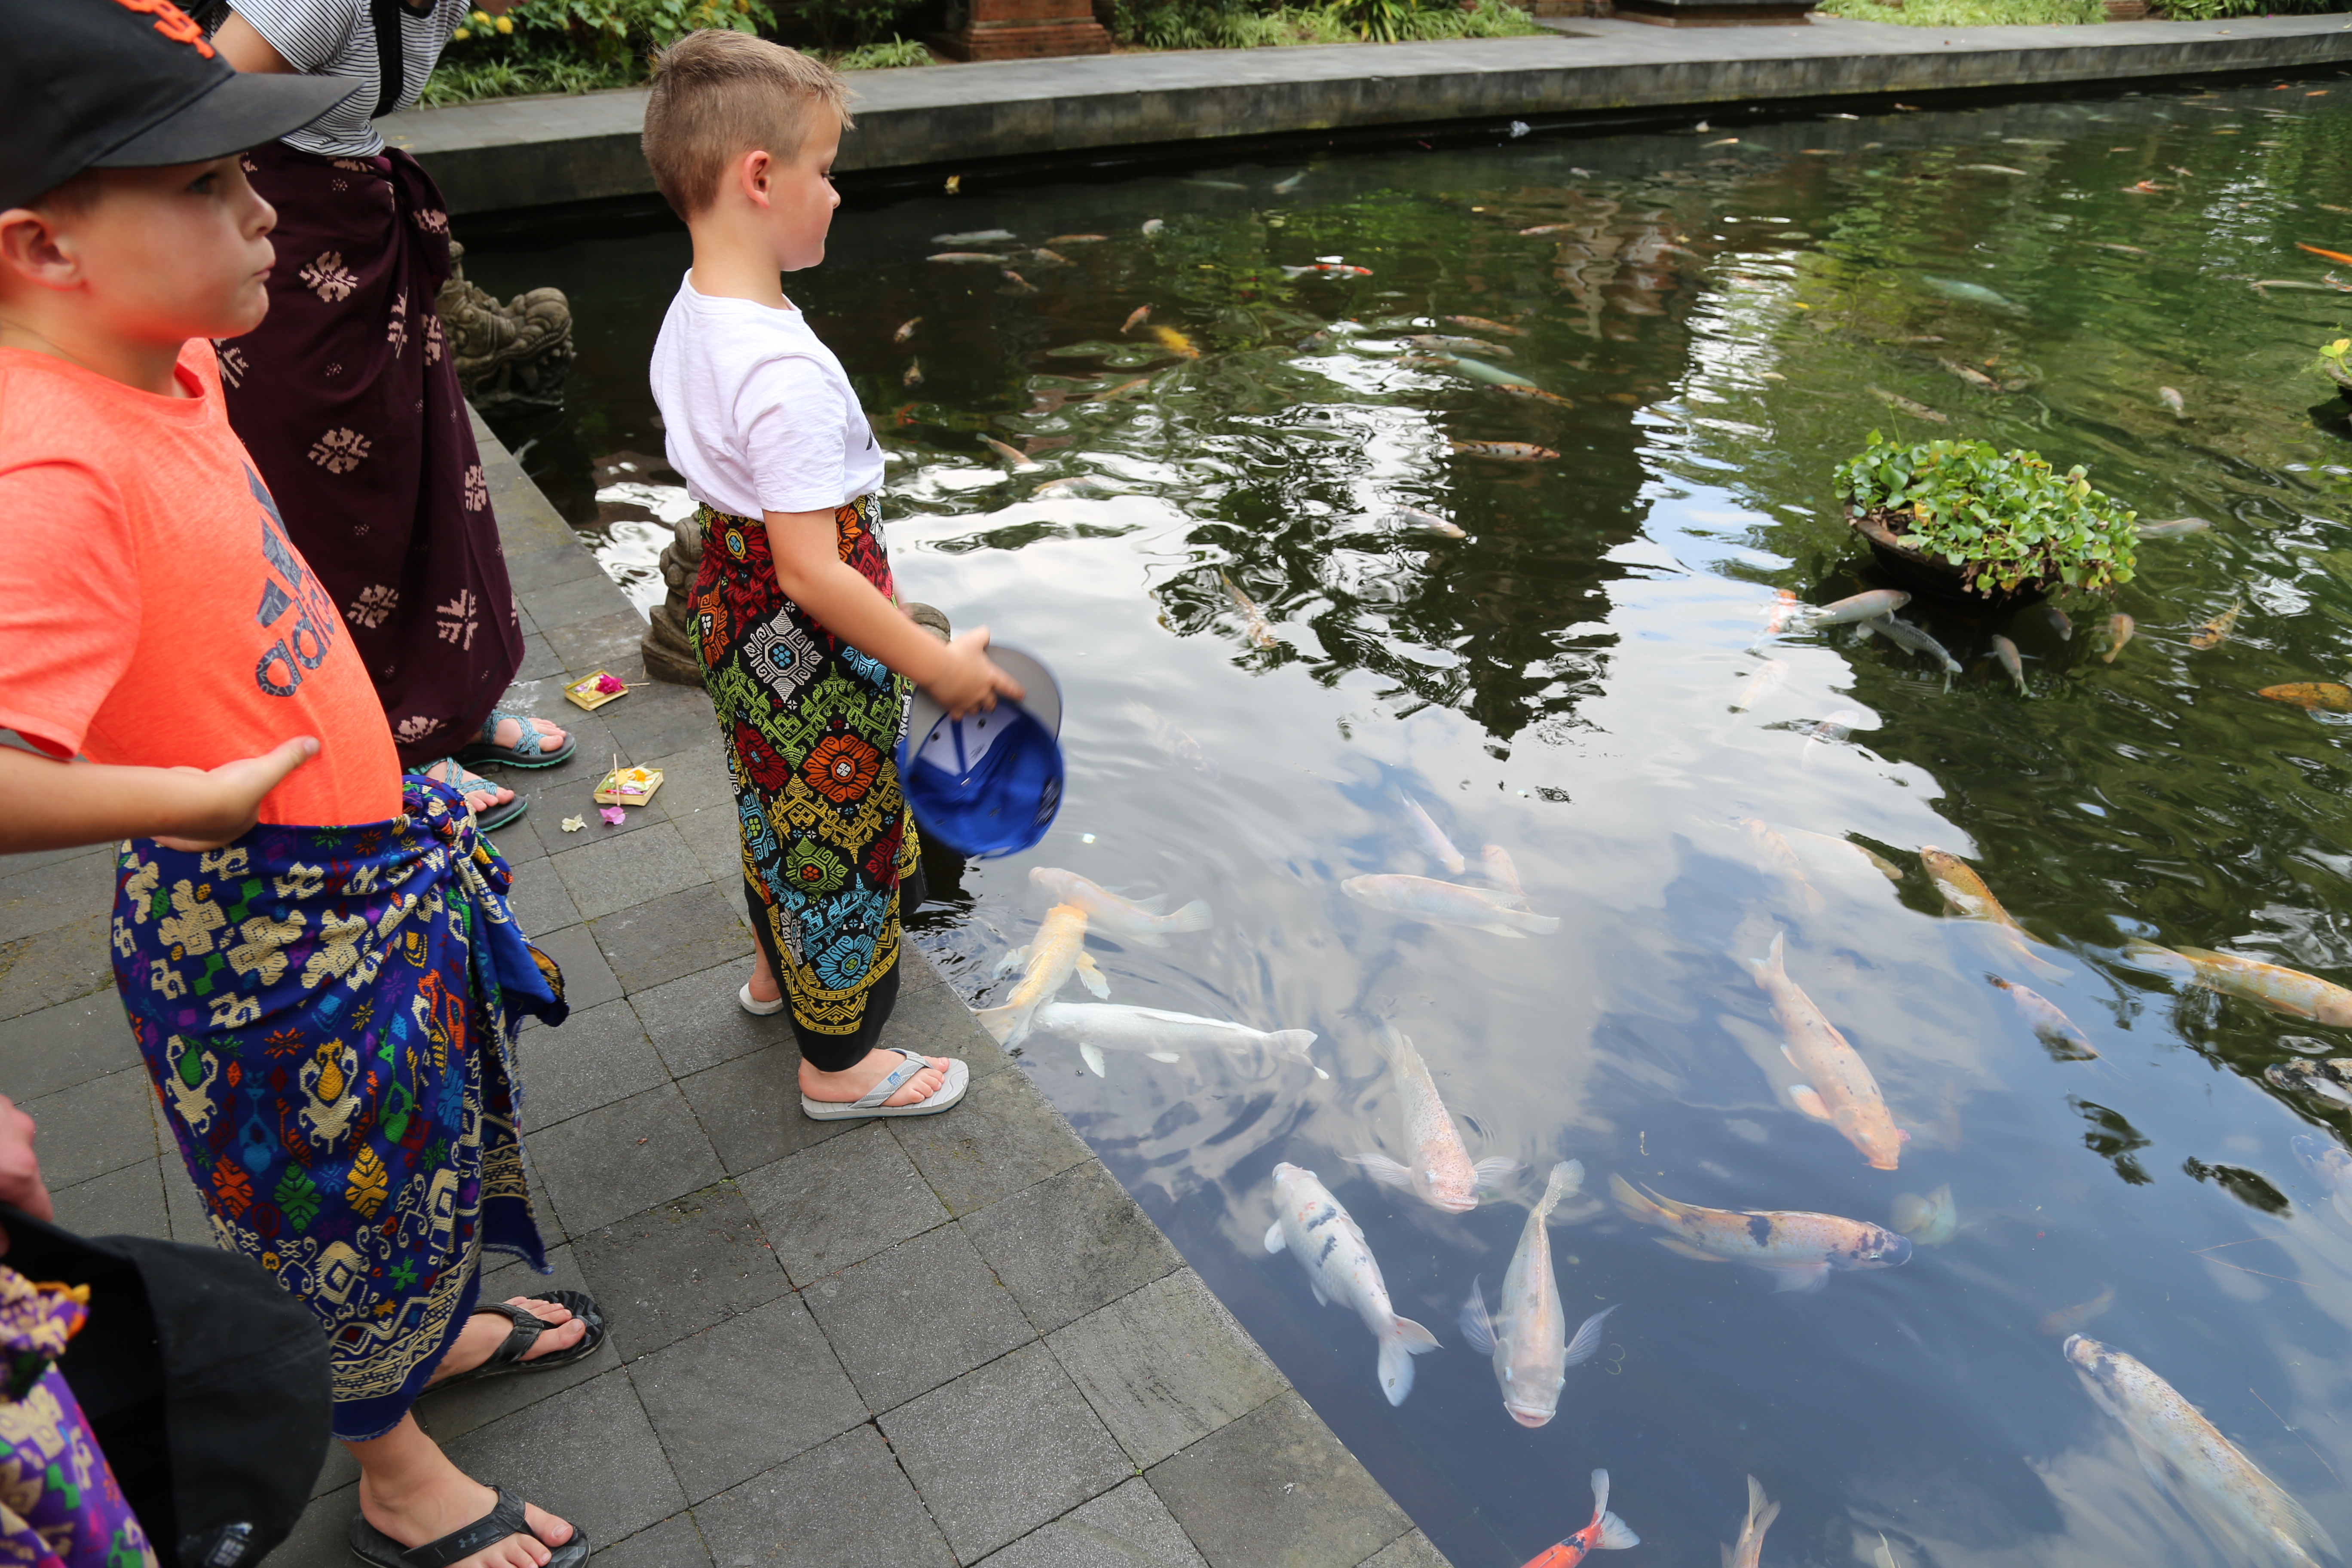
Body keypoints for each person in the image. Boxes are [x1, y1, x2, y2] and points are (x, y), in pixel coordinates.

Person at [0, 7, 601, 1565]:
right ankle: (394, 1472)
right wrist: (186, 793)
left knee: (410, 1168)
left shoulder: (166, 354)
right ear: (43, 250)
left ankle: (437, 1329)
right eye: (209, 185)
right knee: (329, 1211)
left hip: (360, 854)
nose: (265, 204)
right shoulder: (48, 462)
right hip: (262, 921)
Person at [642, 32, 1020, 1116]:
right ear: (760, 178)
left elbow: (763, 542)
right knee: (842, 842)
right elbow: (813, 570)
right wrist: (937, 666)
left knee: (778, 811)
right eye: (825, 167)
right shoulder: (784, 372)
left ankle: (779, 971)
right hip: (809, 646)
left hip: (732, 614)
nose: (837, 195)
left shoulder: (694, 312)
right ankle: (839, 1062)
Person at [206, 0, 570, 832]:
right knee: (340, 505)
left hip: (360, 224)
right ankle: (386, 740)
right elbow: (195, 104)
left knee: (427, 469)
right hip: (279, 243)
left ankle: (455, 710)